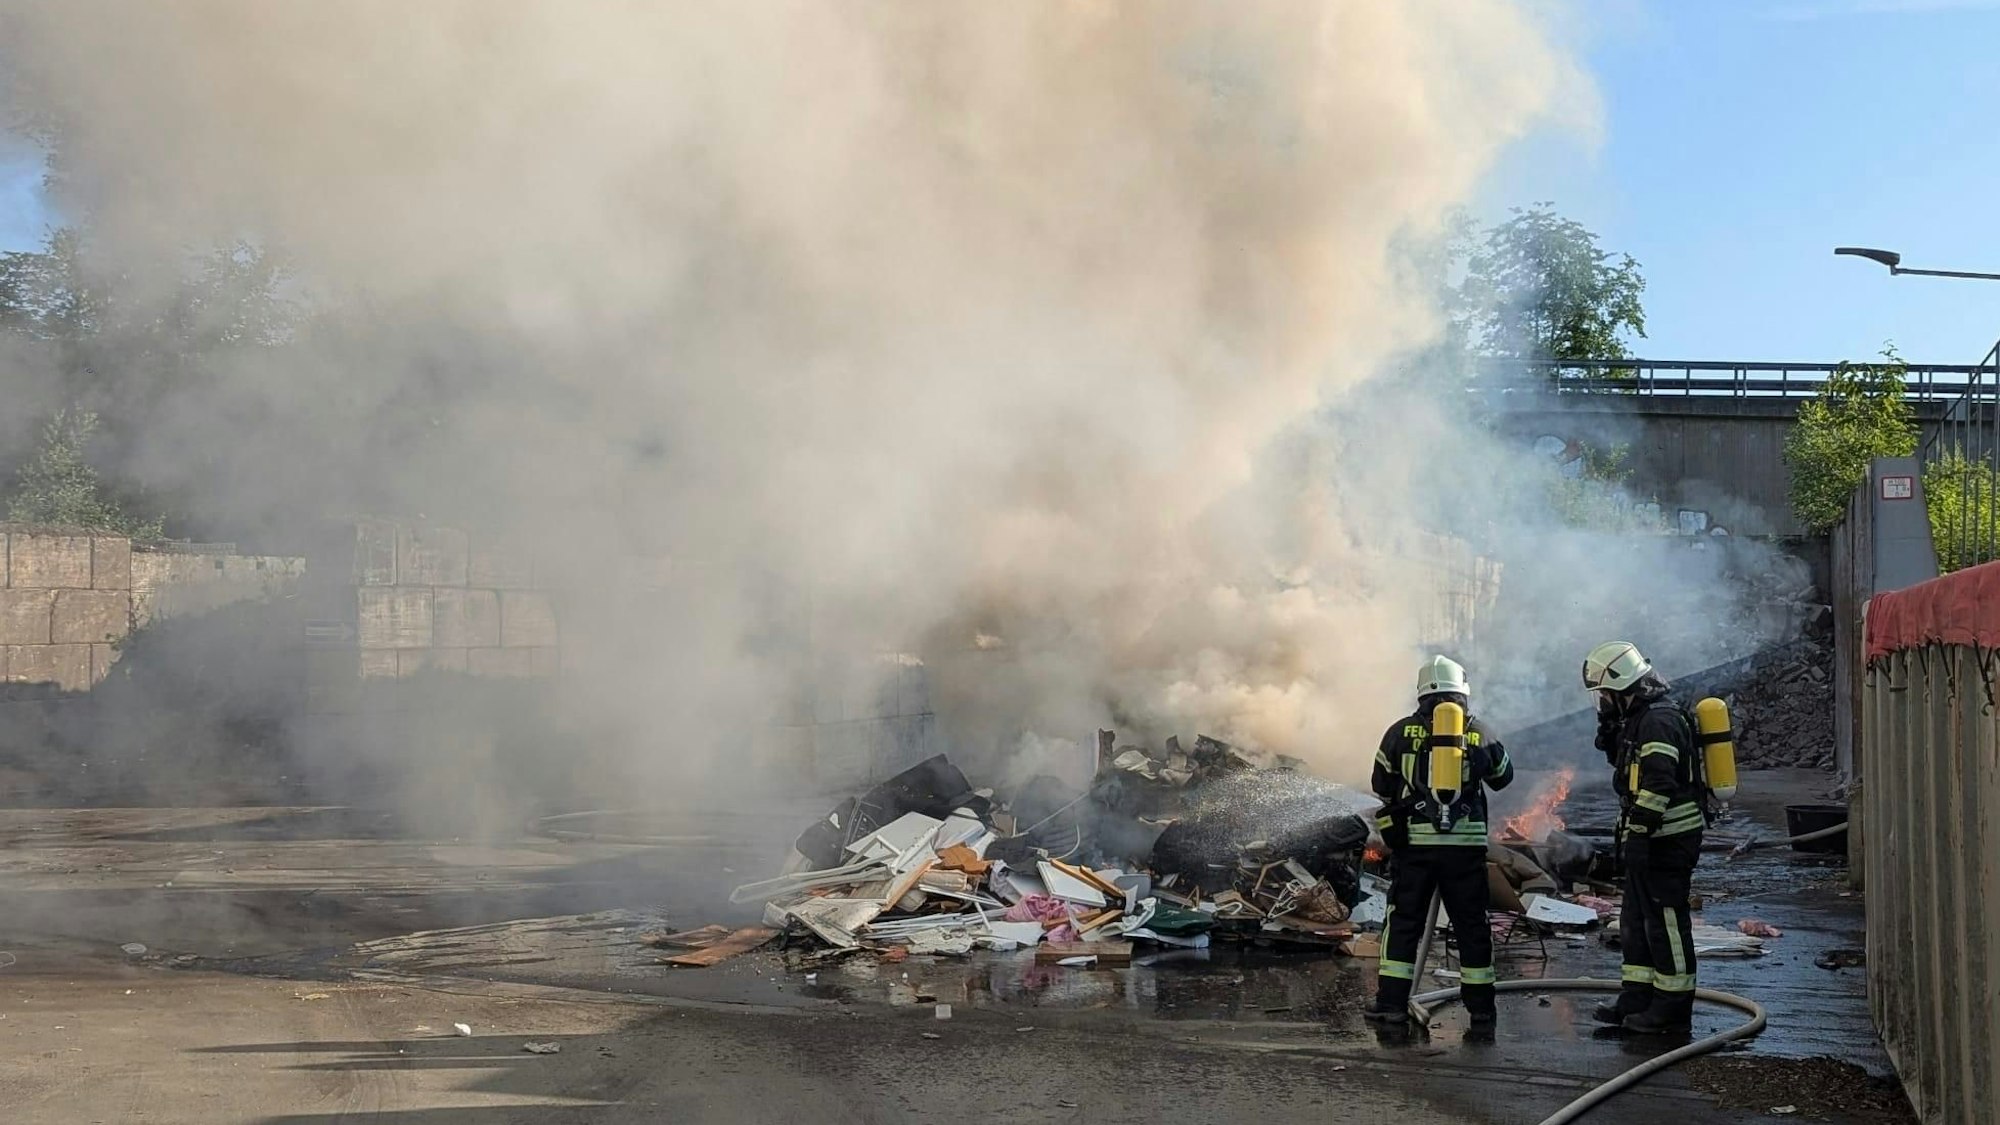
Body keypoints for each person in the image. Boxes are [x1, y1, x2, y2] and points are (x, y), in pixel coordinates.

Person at [1365, 655, 1515, 1026]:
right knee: (1471, 925)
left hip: (1414, 847)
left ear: (1422, 693)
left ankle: (1391, 1006)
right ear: (1462, 692)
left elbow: (1380, 784)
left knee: (1403, 924)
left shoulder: (1399, 732)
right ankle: (1481, 1010)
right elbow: (1503, 777)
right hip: (1465, 849)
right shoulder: (1482, 730)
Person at [1582, 641, 1705, 1035]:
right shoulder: (1640, 718)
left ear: (1623, 687)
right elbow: (1629, 771)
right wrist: (1611, 731)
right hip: (1651, 838)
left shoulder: (1659, 721)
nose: (1602, 702)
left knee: (1665, 922)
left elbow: (1659, 783)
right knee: (1635, 920)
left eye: (1604, 695)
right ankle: (1637, 996)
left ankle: (1671, 1006)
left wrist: (1639, 833)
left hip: (1668, 840)